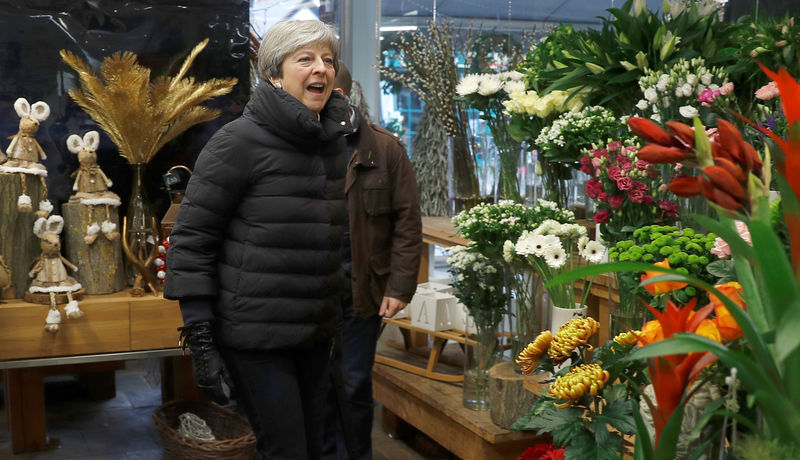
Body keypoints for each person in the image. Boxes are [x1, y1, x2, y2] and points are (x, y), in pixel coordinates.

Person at [164, 20, 352, 460]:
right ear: (273, 74)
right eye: (304, 59)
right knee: (286, 449)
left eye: (327, 59)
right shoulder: (238, 142)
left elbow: (327, 238)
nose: (320, 69)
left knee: (315, 447)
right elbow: (191, 241)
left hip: (313, 329)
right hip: (254, 335)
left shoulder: (331, 143)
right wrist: (201, 337)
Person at [323, 62, 422, 460]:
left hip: (362, 288)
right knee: (314, 385)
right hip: (307, 288)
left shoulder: (384, 149)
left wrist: (399, 287)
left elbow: (408, 224)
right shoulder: (296, 144)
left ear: (344, 96)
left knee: (352, 382)